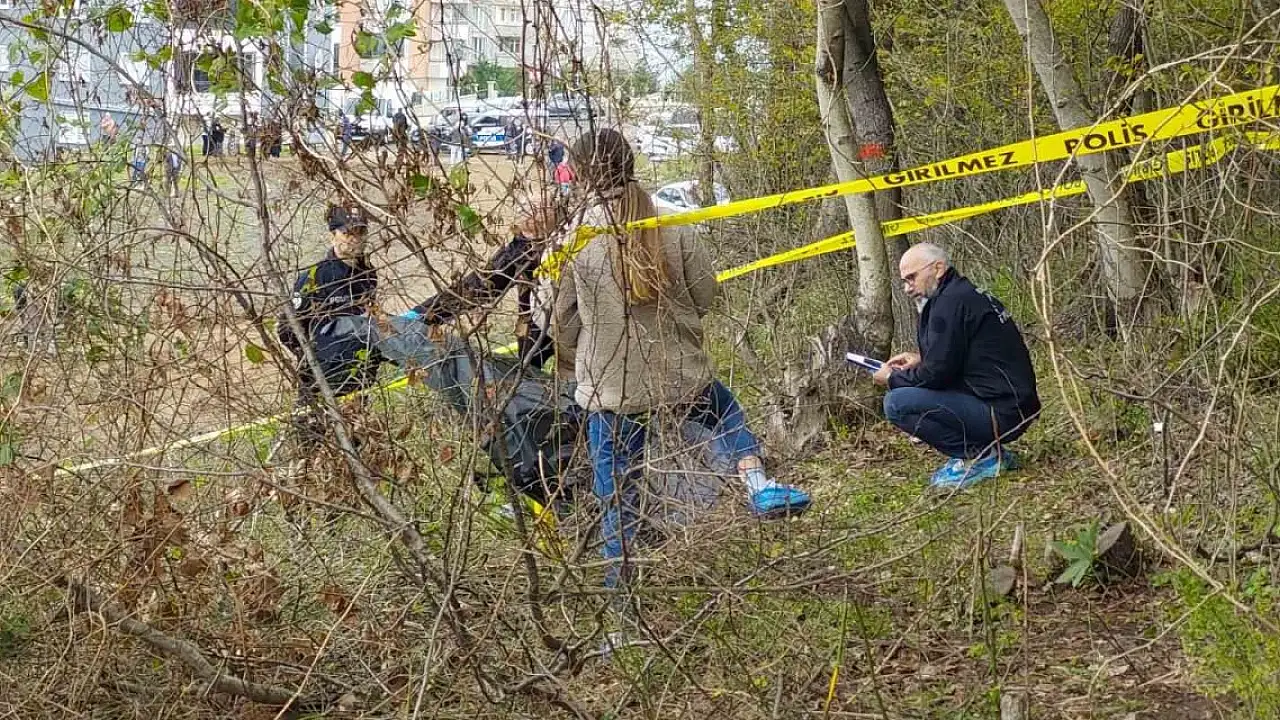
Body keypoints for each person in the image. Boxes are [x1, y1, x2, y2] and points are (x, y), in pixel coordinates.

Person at [548, 129, 811, 588]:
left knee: (617, 497)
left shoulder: (574, 240)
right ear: (630, 162)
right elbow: (705, 294)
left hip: (612, 391)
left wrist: (588, 347)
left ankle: (620, 594)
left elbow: (559, 323)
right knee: (726, 413)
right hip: (681, 376)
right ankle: (757, 483)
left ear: (583, 173)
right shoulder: (673, 223)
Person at [871, 242, 1040, 490]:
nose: (908, 288)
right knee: (908, 393)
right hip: (1013, 405)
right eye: (904, 281)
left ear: (938, 268)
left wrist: (892, 378)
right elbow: (962, 355)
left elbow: (936, 375)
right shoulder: (962, 294)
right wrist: (921, 358)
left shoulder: (950, 303)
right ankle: (990, 452)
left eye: (912, 278)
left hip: (1001, 411)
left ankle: (981, 456)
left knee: (897, 403)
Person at [277, 205, 380, 454]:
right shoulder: (314, 277)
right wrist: (314, 358)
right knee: (312, 448)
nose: (354, 239)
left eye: (360, 232)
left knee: (353, 449)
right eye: (348, 233)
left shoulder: (368, 274)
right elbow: (287, 329)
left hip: (357, 375)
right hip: (318, 378)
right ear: (332, 235)